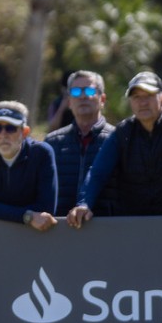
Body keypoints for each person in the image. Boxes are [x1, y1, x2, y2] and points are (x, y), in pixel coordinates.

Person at [67, 71, 162, 231]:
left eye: (149, 95)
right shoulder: (122, 132)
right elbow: (98, 172)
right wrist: (84, 204)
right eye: (136, 97)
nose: (142, 102)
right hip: (133, 227)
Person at [0, 101, 58, 232]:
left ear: (25, 132)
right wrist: (27, 216)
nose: (3, 134)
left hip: (36, 234)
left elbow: (46, 209)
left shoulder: (42, 153)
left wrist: (0, 211)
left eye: (11, 128)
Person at [45, 70, 117, 216]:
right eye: (76, 91)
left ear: (102, 99)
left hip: (108, 230)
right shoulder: (52, 143)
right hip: (60, 231)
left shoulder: (118, 140)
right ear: (69, 102)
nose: (83, 96)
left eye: (90, 90)